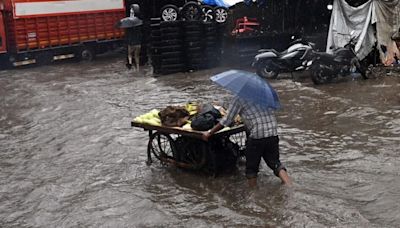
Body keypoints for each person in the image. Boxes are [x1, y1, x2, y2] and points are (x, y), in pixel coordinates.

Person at [202, 96, 292, 187]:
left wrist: (210, 133)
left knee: (251, 168)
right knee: (275, 162)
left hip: (257, 135)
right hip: (273, 132)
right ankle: (290, 187)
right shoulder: (261, 96)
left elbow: (227, 120)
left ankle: (254, 196)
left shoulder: (239, 98)